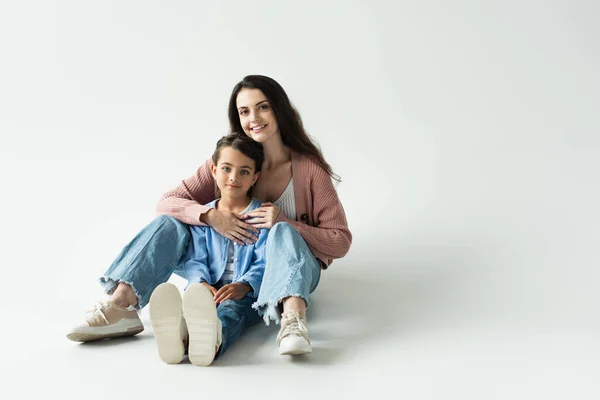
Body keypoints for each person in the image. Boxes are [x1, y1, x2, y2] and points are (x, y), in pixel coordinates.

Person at [67, 74, 352, 356]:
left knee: (281, 234)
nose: (254, 118)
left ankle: (292, 320)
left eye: (263, 106)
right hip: (219, 263)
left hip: (284, 271)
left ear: (280, 109)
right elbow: (167, 203)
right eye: (244, 111)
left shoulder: (309, 170)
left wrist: (285, 224)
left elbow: (339, 241)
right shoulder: (230, 160)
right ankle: (122, 306)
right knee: (169, 223)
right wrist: (210, 216)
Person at [149, 133, 268, 366]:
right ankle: (181, 336)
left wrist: (244, 285)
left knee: (232, 310)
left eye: (244, 171)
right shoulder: (204, 216)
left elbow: (265, 262)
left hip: (248, 295)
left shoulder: (262, 215)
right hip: (210, 290)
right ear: (213, 170)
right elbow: (195, 259)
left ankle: (215, 340)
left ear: (255, 177)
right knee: (199, 304)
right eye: (226, 168)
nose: (234, 177)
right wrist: (201, 284)